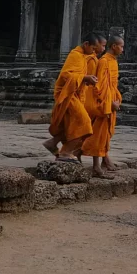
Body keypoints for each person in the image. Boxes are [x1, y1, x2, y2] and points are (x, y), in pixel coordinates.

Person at [43, 32, 101, 161]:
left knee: (71, 124)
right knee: (84, 123)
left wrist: (86, 79)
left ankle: (52, 143)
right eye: (92, 48)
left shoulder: (83, 56)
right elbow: (65, 75)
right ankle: (66, 152)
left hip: (75, 94)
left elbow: (77, 75)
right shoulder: (75, 55)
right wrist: (85, 77)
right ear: (86, 44)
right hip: (67, 94)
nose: (93, 52)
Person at [82, 35, 123, 177]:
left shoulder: (113, 61)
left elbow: (112, 85)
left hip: (111, 101)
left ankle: (105, 159)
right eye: (121, 46)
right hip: (104, 103)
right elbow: (99, 86)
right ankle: (96, 166)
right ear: (114, 46)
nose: (122, 50)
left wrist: (116, 98)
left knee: (106, 133)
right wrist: (109, 102)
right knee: (99, 133)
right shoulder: (104, 61)